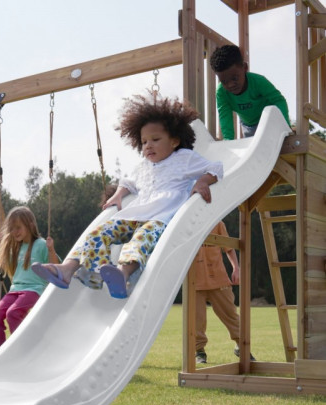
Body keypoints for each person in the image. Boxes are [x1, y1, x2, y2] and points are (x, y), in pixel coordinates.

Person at [32, 94, 223, 299]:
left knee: (138, 241)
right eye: (144, 142)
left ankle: (123, 274)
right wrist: (118, 195)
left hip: (160, 219)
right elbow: (127, 182)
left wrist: (202, 181)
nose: (148, 145)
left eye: (155, 140)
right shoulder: (143, 166)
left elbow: (215, 167)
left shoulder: (183, 158)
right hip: (133, 216)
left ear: (174, 141)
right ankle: (68, 270)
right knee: (98, 233)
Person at [0, 206, 59, 353]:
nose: (15, 232)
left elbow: (56, 268)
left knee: (13, 313)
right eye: (12, 228)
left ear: (30, 225)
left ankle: (23, 350)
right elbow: (9, 266)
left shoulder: (41, 244)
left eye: (18, 227)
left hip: (35, 289)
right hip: (16, 290)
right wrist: (1, 244)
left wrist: (51, 249)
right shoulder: (16, 247)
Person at [194, 220, 255, 364]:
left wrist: (236, 268)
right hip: (194, 282)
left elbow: (229, 248)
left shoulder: (217, 223)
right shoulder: (187, 222)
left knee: (231, 315)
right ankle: (199, 352)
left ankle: (241, 346)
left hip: (219, 279)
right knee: (196, 320)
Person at [209, 45, 291, 140]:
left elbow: (279, 100)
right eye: (224, 81)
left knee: (276, 142)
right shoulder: (221, 93)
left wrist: (286, 128)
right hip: (248, 126)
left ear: (245, 68)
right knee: (254, 147)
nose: (230, 85)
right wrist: (228, 140)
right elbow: (225, 116)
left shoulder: (259, 82)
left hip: (269, 121)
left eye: (234, 78)